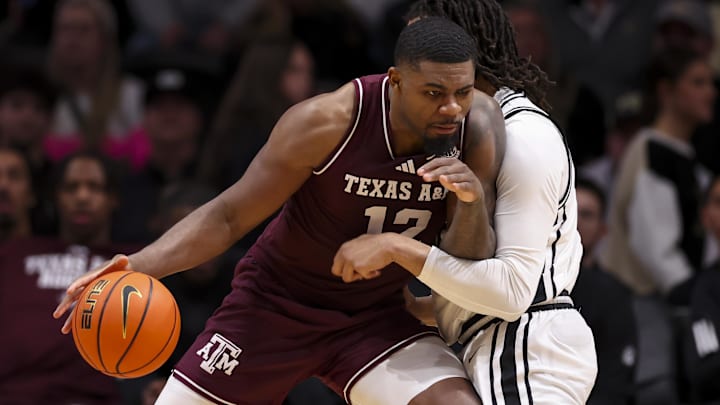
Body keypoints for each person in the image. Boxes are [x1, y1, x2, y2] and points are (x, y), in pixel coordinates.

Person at [54, 17, 506, 405]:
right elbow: (228, 215)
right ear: (396, 81)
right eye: (433, 92)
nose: (451, 108)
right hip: (274, 306)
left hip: (374, 316)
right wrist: (138, 265)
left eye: (461, 92)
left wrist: (471, 202)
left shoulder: (477, 126)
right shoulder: (326, 122)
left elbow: (474, 259)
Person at [331, 0, 598, 403]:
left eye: (428, 41)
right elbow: (486, 282)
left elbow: (511, 294)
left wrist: (395, 247)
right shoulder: (461, 135)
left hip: (525, 348)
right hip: (497, 344)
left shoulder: (524, 136)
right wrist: (423, 307)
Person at [0, 151, 130, 404]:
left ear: (113, 199)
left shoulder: (133, 259)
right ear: (55, 198)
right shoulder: (16, 251)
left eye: (95, 187)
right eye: (71, 188)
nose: (82, 197)